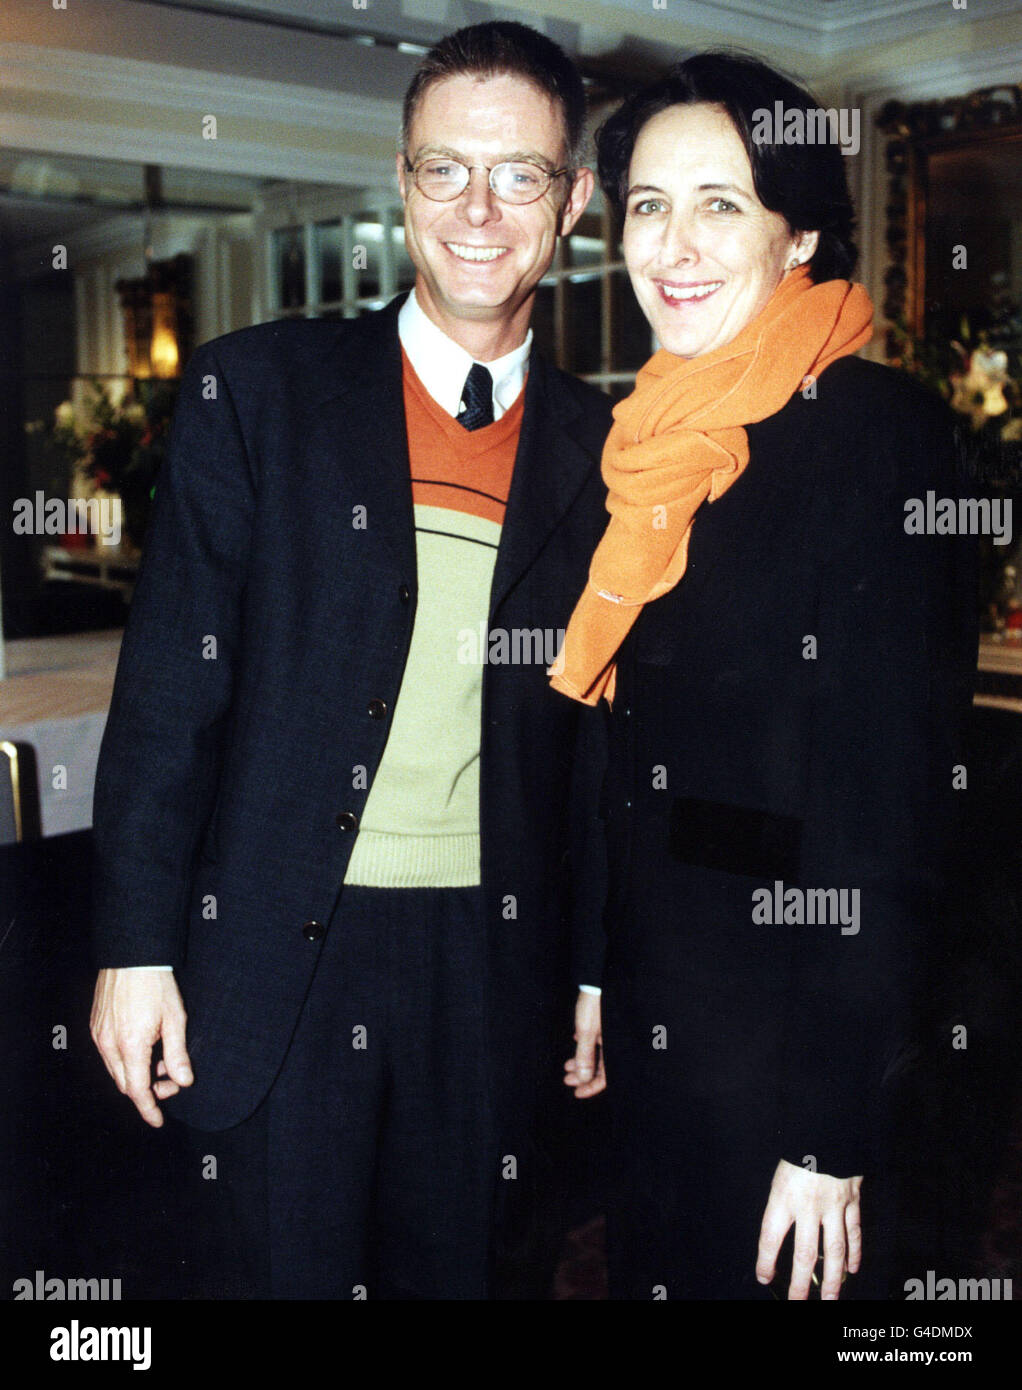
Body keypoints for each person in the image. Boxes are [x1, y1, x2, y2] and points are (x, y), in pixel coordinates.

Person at [89, 20, 613, 1300]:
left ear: (574, 201)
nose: (478, 210)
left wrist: (598, 962)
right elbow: (171, 695)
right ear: (400, 178)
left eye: (520, 175)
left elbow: (607, 746)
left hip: (494, 971)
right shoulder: (253, 395)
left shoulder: (615, 450)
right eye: (445, 170)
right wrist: (136, 945)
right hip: (277, 954)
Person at [560, 52, 977, 1300]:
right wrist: (592, 962)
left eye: (719, 203)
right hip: (659, 1012)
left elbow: (884, 812)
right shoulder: (646, 437)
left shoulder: (876, 437)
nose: (671, 245)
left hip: (791, 1047)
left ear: (796, 230)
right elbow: (627, 754)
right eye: (646, 204)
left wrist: (830, 1128)